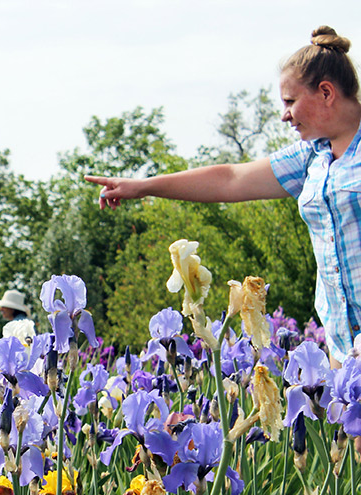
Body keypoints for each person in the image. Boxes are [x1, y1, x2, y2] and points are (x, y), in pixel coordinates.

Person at [85, 26, 361, 365]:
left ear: (326, 93)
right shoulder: (312, 157)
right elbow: (230, 179)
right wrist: (140, 186)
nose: (284, 114)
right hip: (341, 347)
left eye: (290, 101)